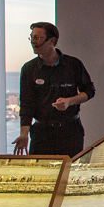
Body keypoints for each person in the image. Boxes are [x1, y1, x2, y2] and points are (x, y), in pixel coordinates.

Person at [13, 22, 96, 156]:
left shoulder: (73, 64)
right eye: (31, 37)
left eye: (37, 38)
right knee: (41, 173)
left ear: (52, 40)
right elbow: (27, 105)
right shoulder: (29, 69)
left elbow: (89, 91)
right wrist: (24, 134)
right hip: (42, 133)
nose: (33, 42)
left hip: (70, 131)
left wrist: (70, 101)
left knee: (70, 172)